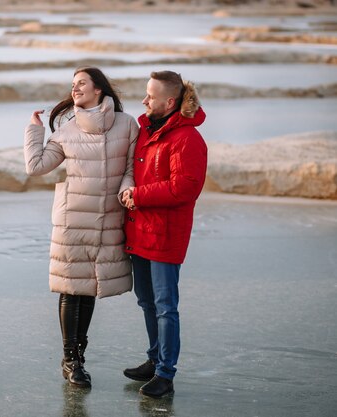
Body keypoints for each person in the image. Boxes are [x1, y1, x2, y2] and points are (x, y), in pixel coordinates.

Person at [24, 67, 139, 388]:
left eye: (81, 83)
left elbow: (131, 167)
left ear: (99, 89)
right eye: (73, 84)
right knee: (71, 288)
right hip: (73, 218)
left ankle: (77, 356)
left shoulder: (126, 124)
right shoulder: (66, 131)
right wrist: (34, 131)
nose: (75, 89)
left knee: (89, 287)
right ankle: (72, 361)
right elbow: (35, 167)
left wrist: (126, 189)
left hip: (109, 218)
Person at [119, 70, 208, 398]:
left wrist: (139, 196)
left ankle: (166, 373)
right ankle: (154, 359)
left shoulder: (187, 139)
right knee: (146, 301)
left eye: (151, 96)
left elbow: (184, 188)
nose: (144, 101)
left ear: (169, 102)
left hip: (166, 234)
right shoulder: (146, 130)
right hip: (140, 229)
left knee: (165, 305)